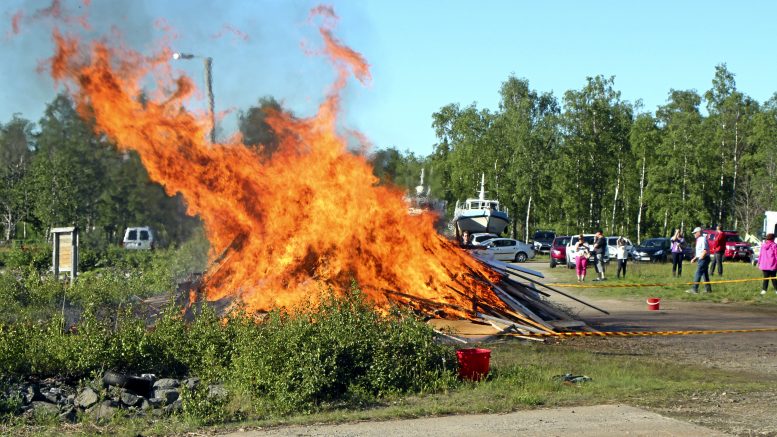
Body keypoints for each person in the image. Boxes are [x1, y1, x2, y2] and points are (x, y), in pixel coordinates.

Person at [687, 226, 712, 294]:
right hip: (703, 258)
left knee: (697, 273)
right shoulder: (699, 239)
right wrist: (695, 258)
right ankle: (708, 290)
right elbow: (699, 252)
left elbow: (705, 250)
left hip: (704, 259)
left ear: (699, 232)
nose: (694, 234)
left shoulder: (702, 239)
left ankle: (694, 289)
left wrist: (700, 259)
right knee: (705, 274)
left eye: (695, 233)